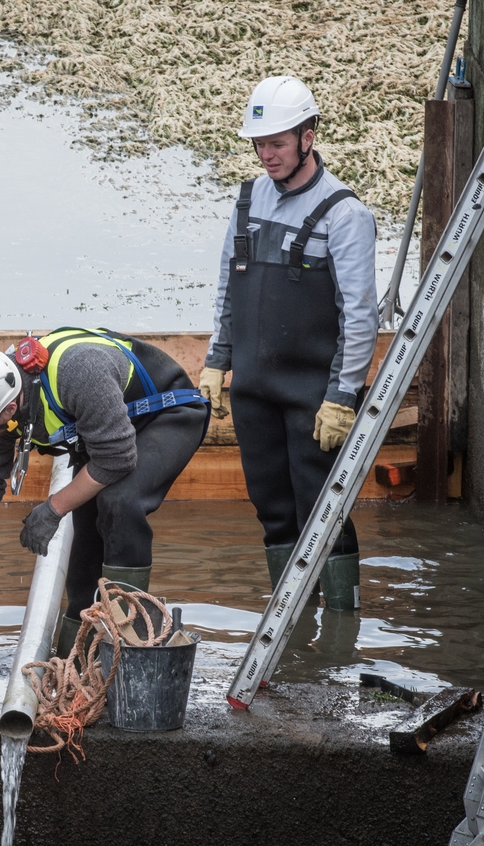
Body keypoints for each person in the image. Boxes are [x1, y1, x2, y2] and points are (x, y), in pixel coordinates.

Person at [0, 329, 209, 661]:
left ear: (10, 409)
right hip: (104, 434)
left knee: (121, 503)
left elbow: (117, 458)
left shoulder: (79, 371)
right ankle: (73, 664)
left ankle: (129, 646)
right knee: (84, 560)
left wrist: (54, 507)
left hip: (167, 412)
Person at [198, 76, 378, 610]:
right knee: (273, 511)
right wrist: (216, 360)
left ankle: (341, 627)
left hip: (314, 400)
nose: (267, 155)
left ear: (308, 137)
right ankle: (290, 625)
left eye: (277, 143)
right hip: (254, 391)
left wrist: (343, 397)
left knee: (324, 512)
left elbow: (360, 317)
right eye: (259, 144)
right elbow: (228, 288)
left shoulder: (345, 214)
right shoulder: (248, 199)